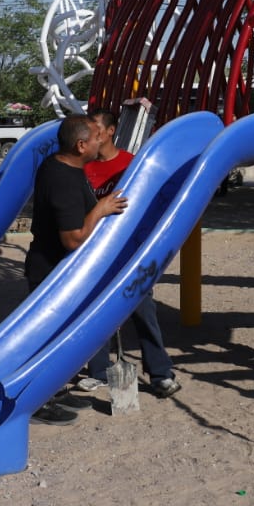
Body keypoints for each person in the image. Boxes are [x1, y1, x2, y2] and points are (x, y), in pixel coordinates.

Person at [24, 115, 128, 424]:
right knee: (46, 342)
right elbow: (73, 239)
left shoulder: (61, 165)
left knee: (59, 340)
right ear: (81, 145)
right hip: (51, 275)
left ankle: (53, 391)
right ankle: (35, 403)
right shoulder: (64, 181)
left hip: (57, 272)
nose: (101, 141)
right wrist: (100, 209)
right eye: (96, 137)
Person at [79, 108, 182, 399]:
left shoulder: (132, 165)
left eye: (95, 127)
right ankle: (98, 370)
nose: (90, 133)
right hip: (96, 253)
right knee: (95, 310)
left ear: (110, 131)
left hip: (131, 252)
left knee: (143, 310)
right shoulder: (84, 168)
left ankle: (160, 372)